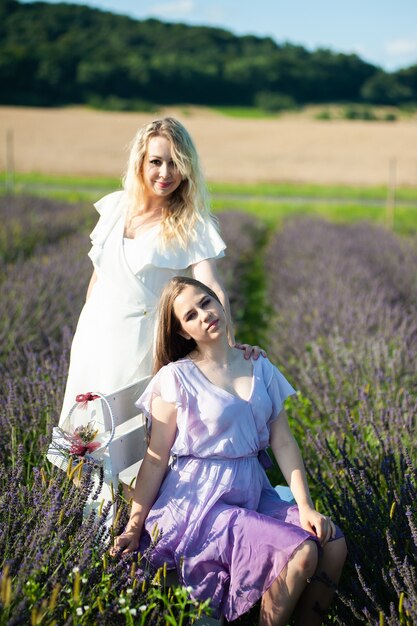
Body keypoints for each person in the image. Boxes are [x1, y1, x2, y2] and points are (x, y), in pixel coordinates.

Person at [112, 276, 347, 626]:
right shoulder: (177, 377)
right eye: (190, 316)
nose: (204, 315)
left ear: (220, 303)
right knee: (300, 553)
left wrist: (305, 506)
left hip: (250, 490)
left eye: (206, 302)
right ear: (182, 333)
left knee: (333, 543)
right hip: (200, 504)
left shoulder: (259, 365)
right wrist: (134, 525)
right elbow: (156, 457)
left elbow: (283, 441)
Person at [59, 117, 261, 425]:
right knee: (84, 439)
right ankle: (78, 476)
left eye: (175, 163)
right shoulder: (114, 209)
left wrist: (229, 347)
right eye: (156, 161)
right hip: (94, 337)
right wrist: (84, 330)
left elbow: (211, 285)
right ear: (140, 161)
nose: (165, 173)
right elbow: (98, 277)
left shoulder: (191, 223)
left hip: (144, 345)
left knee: (134, 442)